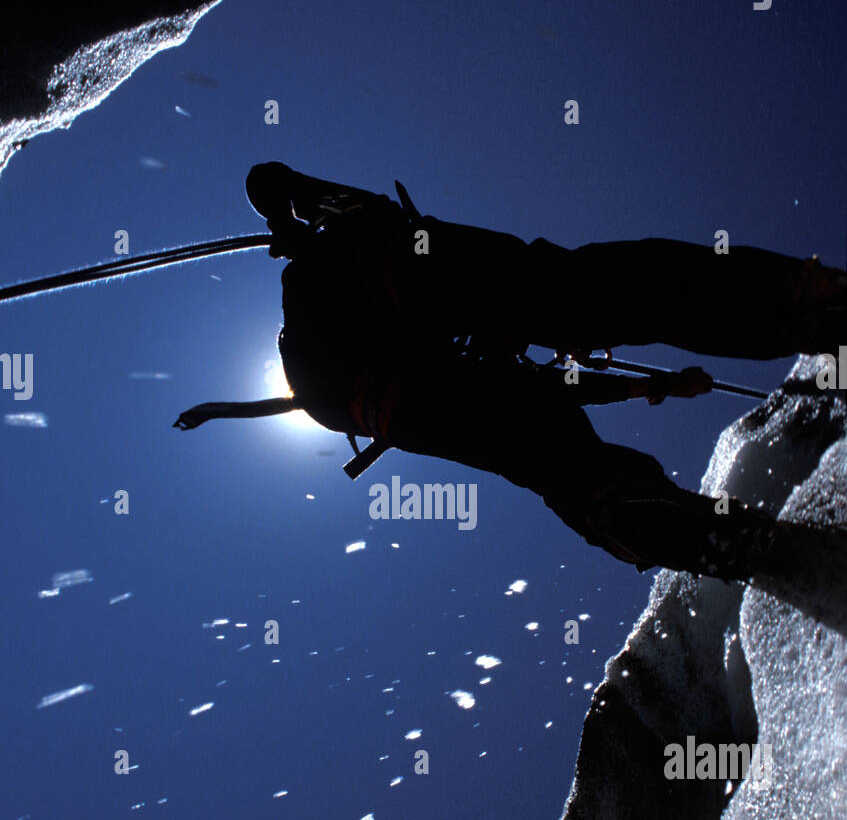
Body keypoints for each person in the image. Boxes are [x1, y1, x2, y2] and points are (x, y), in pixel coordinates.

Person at [173, 162, 845, 579]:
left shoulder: (365, 314)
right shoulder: (343, 238)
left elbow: (546, 387)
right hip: (390, 287)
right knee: (569, 296)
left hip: (379, 390)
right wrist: (294, 220)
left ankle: (637, 515)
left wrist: (654, 384)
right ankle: (795, 300)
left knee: (539, 439)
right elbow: (269, 179)